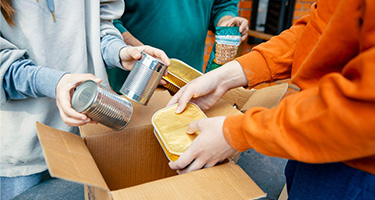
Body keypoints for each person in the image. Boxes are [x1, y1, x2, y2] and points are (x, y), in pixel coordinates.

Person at [167, 0, 375, 198]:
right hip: (313, 131)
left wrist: (238, 133)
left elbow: (365, 109)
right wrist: (226, 76)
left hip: (358, 168)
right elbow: (323, 28)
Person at [0, 0, 169, 199]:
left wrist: (119, 52)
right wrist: (56, 83)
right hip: (22, 153)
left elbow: (99, 25)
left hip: (85, 137)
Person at [108, 0, 249, 93]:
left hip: (188, 83)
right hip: (134, 81)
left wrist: (227, 23)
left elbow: (222, 5)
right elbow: (108, 18)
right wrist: (142, 53)